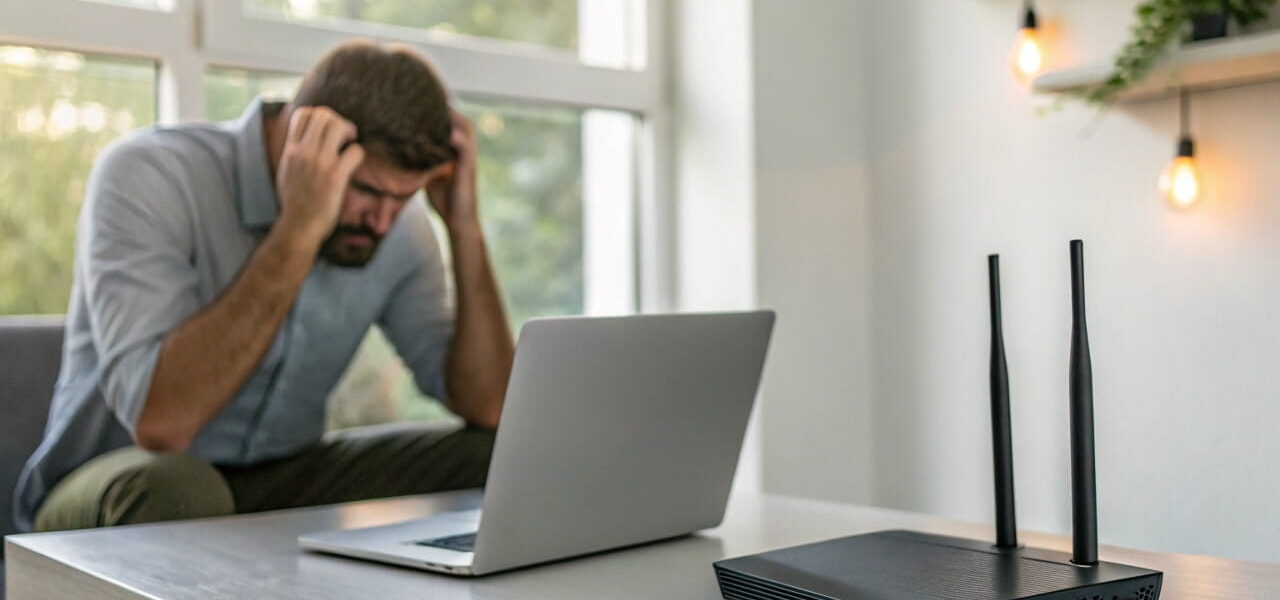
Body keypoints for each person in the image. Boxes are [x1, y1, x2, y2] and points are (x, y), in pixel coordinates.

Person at [13, 39, 515, 533]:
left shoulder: (395, 226)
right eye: (365, 190)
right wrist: (298, 228)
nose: (383, 221)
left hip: (280, 480)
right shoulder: (151, 175)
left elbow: (490, 407)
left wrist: (463, 226)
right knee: (177, 486)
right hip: (114, 489)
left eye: (404, 198)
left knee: (496, 454)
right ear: (308, 141)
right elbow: (163, 423)